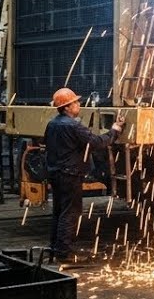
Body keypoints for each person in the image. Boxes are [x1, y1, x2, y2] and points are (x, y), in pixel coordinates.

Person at [44, 87, 123, 262]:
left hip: (55, 173)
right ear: (66, 107)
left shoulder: (52, 123)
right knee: (70, 213)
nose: (78, 104)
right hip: (70, 175)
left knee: (59, 211)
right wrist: (115, 130)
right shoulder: (73, 126)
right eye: (75, 102)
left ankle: (55, 248)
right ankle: (65, 253)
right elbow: (97, 142)